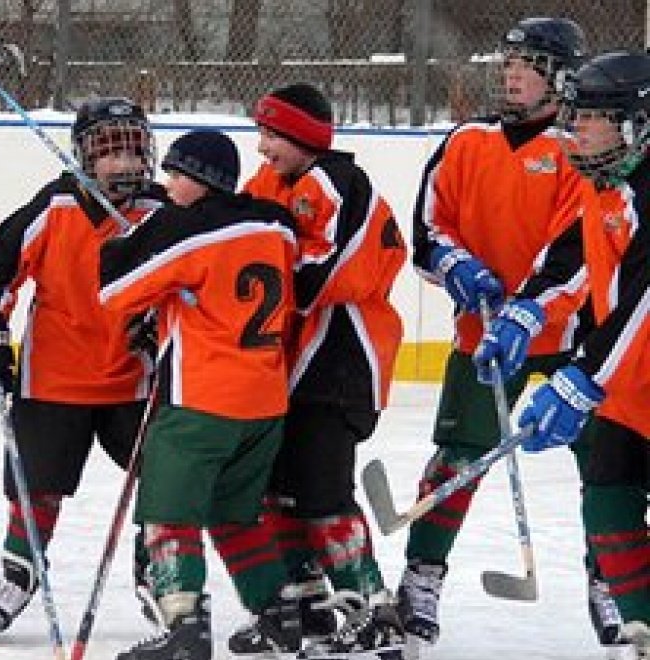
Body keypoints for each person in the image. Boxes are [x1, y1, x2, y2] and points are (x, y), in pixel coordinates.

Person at [398, 16, 622, 655]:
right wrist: (453, 264)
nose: (511, 73)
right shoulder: (464, 143)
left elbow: (576, 249)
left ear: (561, 76)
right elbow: (429, 227)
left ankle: (609, 580)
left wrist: (527, 310)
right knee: (457, 459)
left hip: (577, 340)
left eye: (529, 64)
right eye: (510, 62)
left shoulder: (579, 146)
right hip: (482, 335)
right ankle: (422, 577)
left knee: (607, 465)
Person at [0, 97, 166, 636]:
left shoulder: (163, 213)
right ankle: (20, 572)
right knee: (35, 483)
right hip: (54, 380)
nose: (124, 164)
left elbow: (194, 286)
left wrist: (164, 328)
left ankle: (158, 571)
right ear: (84, 158)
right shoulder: (56, 207)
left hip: (133, 380)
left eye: (133, 151)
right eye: (109, 152)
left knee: (164, 479)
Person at [100, 129, 302, 660]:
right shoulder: (274, 225)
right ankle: (279, 614)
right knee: (235, 513)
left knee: (168, 512)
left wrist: (130, 242)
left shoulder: (186, 230)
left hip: (203, 401)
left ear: (200, 179)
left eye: (176, 175)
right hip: (264, 402)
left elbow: (114, 292)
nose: (168, 186)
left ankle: (184, 627)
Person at [232, 82, 407, 658]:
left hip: (340, 364)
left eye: (271, 135)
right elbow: (232, 239)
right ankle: (309, 602)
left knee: (323, 491)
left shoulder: (336, 183)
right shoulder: (270, 184)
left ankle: (372, 607)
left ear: (304, 136)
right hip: (289, 368)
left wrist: (254, 270)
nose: (261, 148)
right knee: (280, 488)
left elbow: (323, 274)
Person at [486, 49, 650, 657]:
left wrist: (582, 376)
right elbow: (568, 260)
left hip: (630, 374)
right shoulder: (603, 187)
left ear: (637, 123)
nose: (573, 128)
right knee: (608, 504)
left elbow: (642, 302)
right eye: (573, 115)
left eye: (591, 117)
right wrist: (522, 316)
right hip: (631, 388)